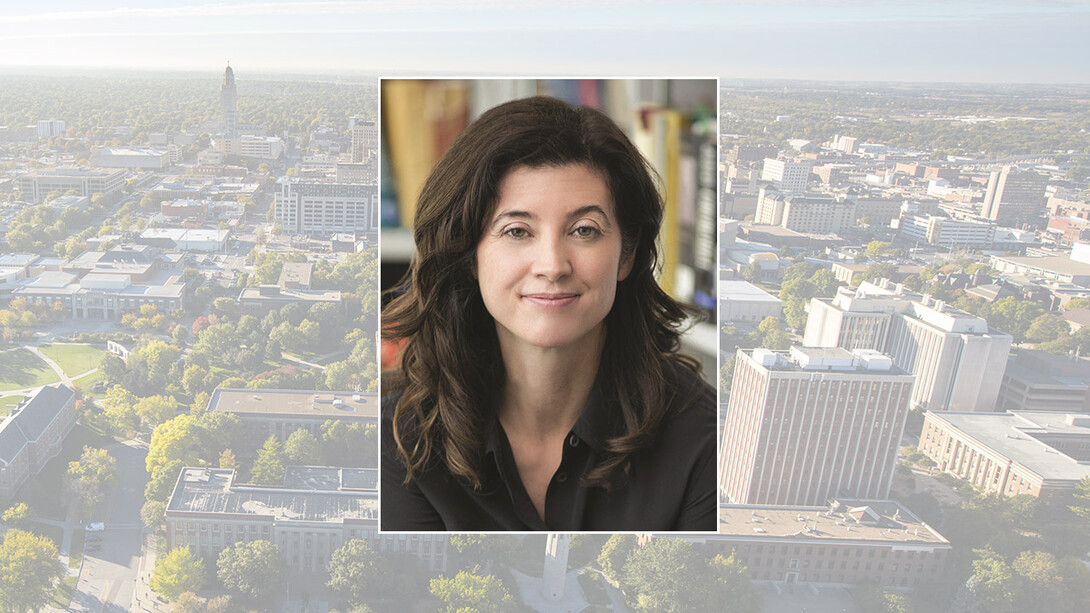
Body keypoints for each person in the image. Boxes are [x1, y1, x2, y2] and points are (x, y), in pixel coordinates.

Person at [381, 94, 715, 531]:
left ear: (627, 253)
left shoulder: (703, 439)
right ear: (470, 253)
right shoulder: (399, 439)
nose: (553, 265)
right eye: (517, 231)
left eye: (584, 230)